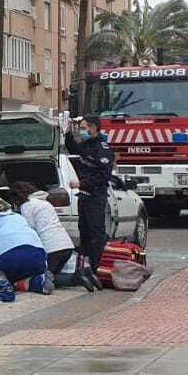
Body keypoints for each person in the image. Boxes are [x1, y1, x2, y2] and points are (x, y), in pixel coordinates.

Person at [63, 115, 116, 277]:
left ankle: (98, 268)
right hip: (84, 196)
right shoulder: (87, 145)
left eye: (84, 128)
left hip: (96, 195)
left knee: (96, 232)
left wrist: (82, 184)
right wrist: (67, 133)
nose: (82, 131)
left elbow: (104, 175)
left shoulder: (102, 148)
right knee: (84, 232)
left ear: (93, 128)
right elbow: (73, 148)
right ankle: (85, 267)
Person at [10, 181, 81, 286]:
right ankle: (82, 276)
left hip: (52, 249)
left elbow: (29, 230)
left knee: (40, 279)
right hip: (67, 246)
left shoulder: (27, 206)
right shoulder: (45, 203)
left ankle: (77, 279)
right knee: (51, 276)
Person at [0, 203, 53, 295]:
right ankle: (39, 281)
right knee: (27, 273)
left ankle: (6, 283)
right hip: (37, 254)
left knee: (0, 277)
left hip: (7, 257)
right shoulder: (20, 218)